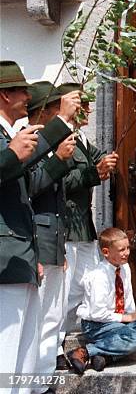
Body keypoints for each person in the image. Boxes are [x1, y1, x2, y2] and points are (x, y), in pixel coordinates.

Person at [0, 60, 80, 390]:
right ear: (5, 95)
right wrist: (59, 120)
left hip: (21, 253)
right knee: (7, 350)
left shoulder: (11, 135)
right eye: (22, 92)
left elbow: (27, 180)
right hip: (6, 254)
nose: (26, 98)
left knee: (25, 351)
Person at [58, 83, 119, 369]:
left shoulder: (80, 136)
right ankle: (58, 343)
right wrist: (94, 172)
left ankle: (74, 341)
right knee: (66, 290)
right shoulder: (60, 138)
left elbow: (95, 159)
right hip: (68, 224)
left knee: (82, 286)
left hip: (83, 224)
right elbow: (62, 182)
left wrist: (106, 163)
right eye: (83, 104)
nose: (89, 110)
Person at [26, 82, 79, 381]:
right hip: (38, 239)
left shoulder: (47, 141)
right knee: (37, 317)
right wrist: (58, 160)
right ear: (43, 111)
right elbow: (32, 189)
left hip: (55, 239)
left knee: (52, 316)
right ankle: (30, 380)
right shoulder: (32, 142)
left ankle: (43, 380)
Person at [66, 228, 136, 374]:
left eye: (127, 248)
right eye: (121, 250)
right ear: (106, 252)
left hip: (116, 321)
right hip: (96, 325)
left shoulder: (124, 267)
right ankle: (85, 352)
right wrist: (127, 318)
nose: (126, 252)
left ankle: (104, 357)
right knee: (133, 338)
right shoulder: (98, 276)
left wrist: (132, 316)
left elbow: (127, 296)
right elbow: (97, 314)